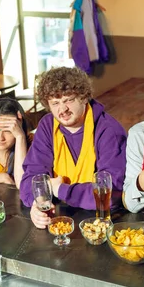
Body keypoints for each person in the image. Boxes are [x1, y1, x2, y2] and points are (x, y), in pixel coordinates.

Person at [19, 67, 127, 228]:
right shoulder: (48, 125)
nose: (62, 110)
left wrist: (60, 189)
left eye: (68, 100)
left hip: (101, 220)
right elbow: (31, 176)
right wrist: (38, 201)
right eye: (55, 103)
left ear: (84, 97)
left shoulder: (108, 130)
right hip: (59, 215)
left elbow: (110, 195)